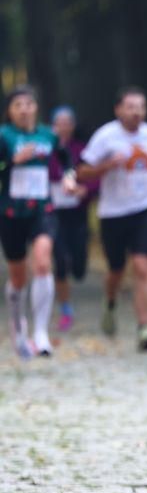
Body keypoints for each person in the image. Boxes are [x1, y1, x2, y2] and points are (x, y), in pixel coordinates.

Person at [77, 87, 147, 351]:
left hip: (144, 208)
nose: (136, 112)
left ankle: (144, 328)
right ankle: (110, 302)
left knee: (142, 266)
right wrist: (107, 165)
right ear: (118, 109)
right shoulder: (105, 136)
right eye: (130, 107)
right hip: (113, 213)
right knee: (116, 271)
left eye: (141, 107)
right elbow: (81, 172)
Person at [0, 86, 58, 358]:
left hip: (42, 209)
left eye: (28, 104)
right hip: (11, 213)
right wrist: (12, 161)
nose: (24, 109)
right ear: (9, 111)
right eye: (18, 105)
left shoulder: (48, 135)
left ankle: (41, 334)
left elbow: (66, 162)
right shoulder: (4, 135)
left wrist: (69, 179)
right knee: (18, 277)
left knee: (43, 262)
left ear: (36, 107)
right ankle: (18, 326)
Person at [48, 106, 97, 332]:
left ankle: (78, 266)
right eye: (59, 123)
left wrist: (85, 190)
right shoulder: (45, 149)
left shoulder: (82, 150)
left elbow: (94, 177)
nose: (63, 127)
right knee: (60, 260)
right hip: (52, 212)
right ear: (52, 126)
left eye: (67, 122)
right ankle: (66, 308)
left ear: (73, 125)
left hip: (77, 212)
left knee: (78, 266)